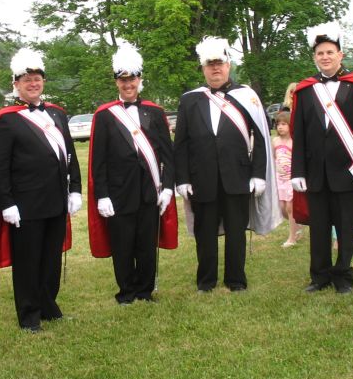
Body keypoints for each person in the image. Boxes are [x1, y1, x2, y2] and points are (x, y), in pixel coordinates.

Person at [0, 48, 82, 332]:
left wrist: (75, 188)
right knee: (28, 262)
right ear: (16, 84)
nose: (33, 84)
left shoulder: (57, 114)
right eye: (27, 80)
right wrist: (6, 203)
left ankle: (49, 306)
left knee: (51, 258)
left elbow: (69, 154)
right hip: (25, 205)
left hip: (56, 200)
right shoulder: (6, 119)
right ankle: (29, 315)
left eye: (37, 78)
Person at [290, 25, 353, 294]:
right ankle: (319, 276)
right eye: (320, 53)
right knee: (319, 229)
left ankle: (344, 277)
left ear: (340, 55)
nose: (325, 57)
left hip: (349, 171)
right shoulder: (305, 90)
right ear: (314, 57)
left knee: (347, 228)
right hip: (315, 172)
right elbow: (297, 135)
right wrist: (297, 171)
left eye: (330, 52)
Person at [174, 37, 279, 292]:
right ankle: (206, 281)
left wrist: (258, 174)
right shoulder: (190, 100)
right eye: (210, 65)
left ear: (229, 65)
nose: (215, 69)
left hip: (238, 177)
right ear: (203, 68)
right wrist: (183, 178)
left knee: (236, 232)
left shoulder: (246, 96)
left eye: (220, 63)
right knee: (205, 234)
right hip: (202, 179)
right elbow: (181, 144)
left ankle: (236, 280)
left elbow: (262, 137)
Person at [87, 43, 178, 304]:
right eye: (123, 80)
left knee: (146, 245)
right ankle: (126, 291)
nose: (128, 84)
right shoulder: (105, 115)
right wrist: (102, 195)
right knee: (123, 246)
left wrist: (168, 188)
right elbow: (98, 160)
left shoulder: (156, 112)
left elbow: (167, 156)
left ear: (140, 80)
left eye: (133, 79)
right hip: (118, 193)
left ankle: (145, 290)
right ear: (117, 82)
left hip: (150, 192)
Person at [273, 111, 299, 247]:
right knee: (282, 207)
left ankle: (292, 238)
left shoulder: (293, 142)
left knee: (290, 207)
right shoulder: (275, 141)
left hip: (290, 179)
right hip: (279, 178)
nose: (280, 127)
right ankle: (298, 226)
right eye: (278, 124)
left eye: (284, 124)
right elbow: (273, 158)